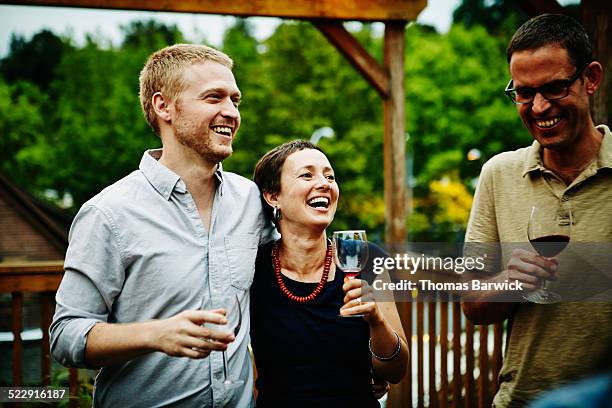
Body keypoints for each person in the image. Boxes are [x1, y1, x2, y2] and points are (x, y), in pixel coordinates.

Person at [50, 44, 272, 407]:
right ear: (163, 106)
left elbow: (295, 274)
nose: (231, 112)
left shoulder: (250, 200)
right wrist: (155, 334)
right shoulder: (109, 212)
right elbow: (66, 336)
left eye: (235, 99)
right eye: (213, 97)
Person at [461, 14, 612, 407]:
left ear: (590, 79)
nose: (539, 106)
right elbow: (471, 304)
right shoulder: (498, 174)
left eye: (555, 88)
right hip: (522, 400)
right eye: (524, 93)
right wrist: (509, 282)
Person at [250, 140, 408, 407]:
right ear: (272, 195)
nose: (324, 183)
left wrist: (376, 320)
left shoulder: (368, 258)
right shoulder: (252, 265)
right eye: (307, 175)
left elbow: (396, 371)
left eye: (330, 176)